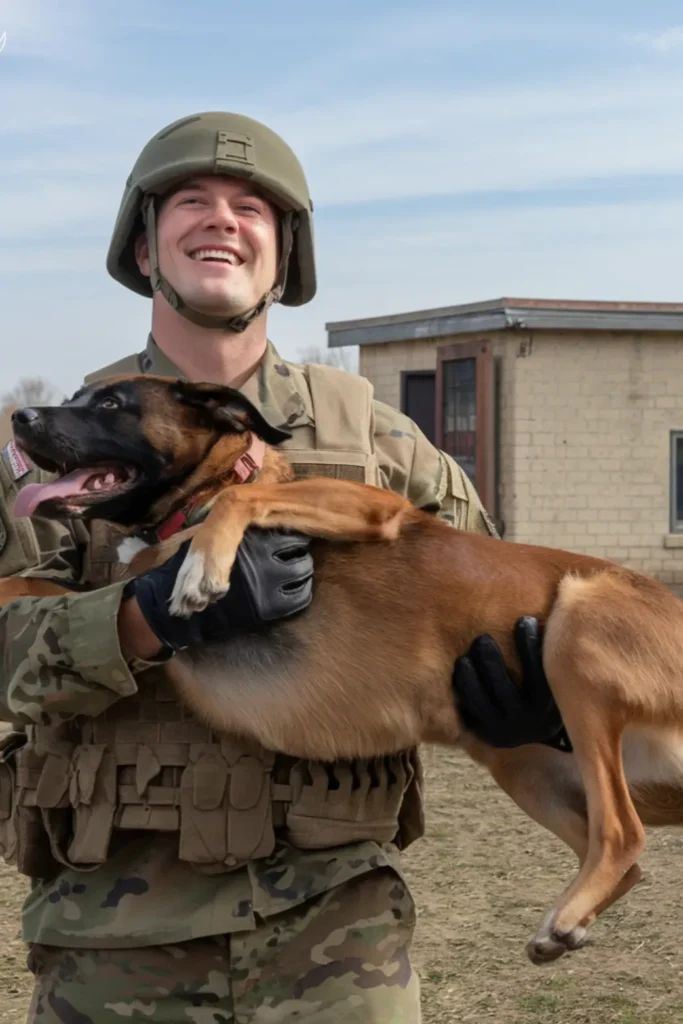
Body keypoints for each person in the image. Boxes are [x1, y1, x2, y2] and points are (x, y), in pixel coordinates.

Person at [0, 110, 563, 1023]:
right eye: (191, 200)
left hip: (340, 936)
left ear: (284, 254)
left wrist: (536, 702)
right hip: (112, 943)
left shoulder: (383, 444)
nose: (222, 218)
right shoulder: (63, 441)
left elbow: (497, 607)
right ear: (144, 248)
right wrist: (148, 616)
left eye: (251, 208)